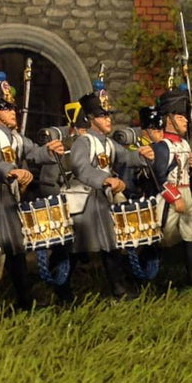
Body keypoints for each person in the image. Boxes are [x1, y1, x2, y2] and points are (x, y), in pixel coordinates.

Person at [0, 71, 66, 308]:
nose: (12, 112)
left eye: (12, 108)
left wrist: (48, 150)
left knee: (15, 250)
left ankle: (24, 300)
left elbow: (34, 152)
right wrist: (10, 171)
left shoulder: (17, 138)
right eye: (6, 108)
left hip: (7, 200)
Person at [65, 82, 149, 298]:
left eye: (108, 115)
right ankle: (64, 285)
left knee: (109, 242)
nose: (108, 119)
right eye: (103, 116)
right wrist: (104, 179)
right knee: (79, 246)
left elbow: (126, 157)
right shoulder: (83, 142)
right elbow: (81, 168)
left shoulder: (108, 143)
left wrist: (142, 155)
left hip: (103, 198)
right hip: (86, 199)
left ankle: (118, 286)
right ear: (91, 119)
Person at [150, 87, 192, 288]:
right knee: (163, 234)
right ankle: (154, 274)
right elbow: (159, 178)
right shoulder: (162, 146)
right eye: (180, 116)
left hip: (186, 192)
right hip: (169, 195)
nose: (185, 120)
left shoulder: (185, 144)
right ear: (169, 119)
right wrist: (174, 197)